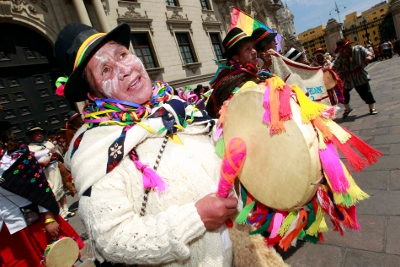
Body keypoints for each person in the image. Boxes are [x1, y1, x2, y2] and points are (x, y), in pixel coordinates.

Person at [55, 23, 285, 266]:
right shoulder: (98, 150)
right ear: (94, 93)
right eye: (105, 70)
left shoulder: (177, 108)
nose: (124, 69)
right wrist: (196, 218)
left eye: (122, 54)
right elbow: (111, 239)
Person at [0, 122, 83, 267]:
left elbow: (40, 186)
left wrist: (49, 217)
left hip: (34, 222)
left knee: (56, 262)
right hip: (7, 231)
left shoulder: (17, 158)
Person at [206, 27, 267, 118]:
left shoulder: (252, 73)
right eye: (247, 49)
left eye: (253, 47)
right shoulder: (233, 81)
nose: (254, 51)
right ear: (236, 58)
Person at [27, 127, 75, 220]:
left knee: (61, 188)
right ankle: (60, 213)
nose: (39, 135)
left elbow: (58, 153)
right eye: (36, 134)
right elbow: (32, 161)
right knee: (53, 191)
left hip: (56, 168)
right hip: (45, 172)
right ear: (32, 137)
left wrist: (56, 155)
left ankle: (66, 209)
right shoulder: (30, 148)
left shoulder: (48, 143)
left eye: (40, 133)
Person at [332, 39, 377, 118]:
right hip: (347, 77)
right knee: (343, 93)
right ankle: (347, 109)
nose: (341, 52)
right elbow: (334, 67)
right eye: (340, 50)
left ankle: (372, 108)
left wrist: (369, 57)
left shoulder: (358, 49)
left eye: (342, 50)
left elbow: (369, 53)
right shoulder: (340, 57)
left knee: (365, 93)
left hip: (359, 75)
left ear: (347, 47)